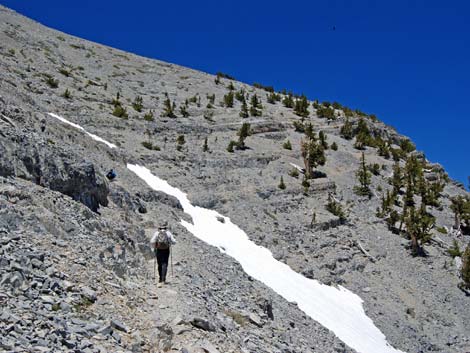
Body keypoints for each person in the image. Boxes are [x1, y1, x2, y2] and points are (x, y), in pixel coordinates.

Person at [150, 221, 176, 286]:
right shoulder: (168, 233)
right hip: (166, 250)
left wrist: (155, 245)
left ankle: (160, 278)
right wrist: (170, 242)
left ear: (159, 227)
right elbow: (174, 242)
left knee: (159, 264)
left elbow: (152, 241)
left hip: (159, 250)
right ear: (165, 227)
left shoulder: (157, 233)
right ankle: (163, 279)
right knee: (165, 264)